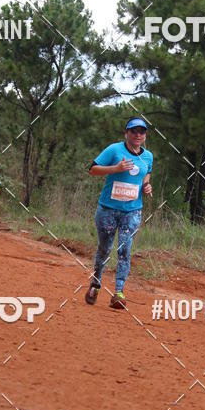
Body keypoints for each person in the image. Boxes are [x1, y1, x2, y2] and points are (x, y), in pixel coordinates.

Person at [85, 117, 153, 309]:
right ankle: (95, 283)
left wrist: (146, 185)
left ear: (145, 135)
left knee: (124, 250)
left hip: (132, 211)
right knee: (104, 249)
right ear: (127, 133)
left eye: (142, 131)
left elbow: (147, 172)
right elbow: (92, 170)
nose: (138, 135)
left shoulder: (148, 156)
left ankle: (119, 293)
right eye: (134, 131)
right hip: (108, 209)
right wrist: (116, 168)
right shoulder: (114, 150)